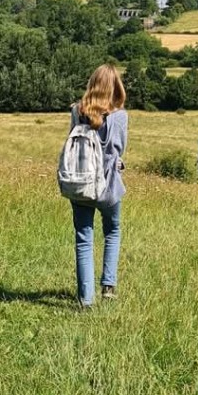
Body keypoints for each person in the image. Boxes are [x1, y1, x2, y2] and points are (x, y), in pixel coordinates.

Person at [68, 64, 128, 308]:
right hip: (109, 186)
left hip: (81, 183)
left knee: (84, 237)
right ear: (116, 87)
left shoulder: (76, 110)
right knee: (112, 232)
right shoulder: (120, 116)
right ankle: (109, 287)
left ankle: (86, 299)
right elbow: (119, 150)